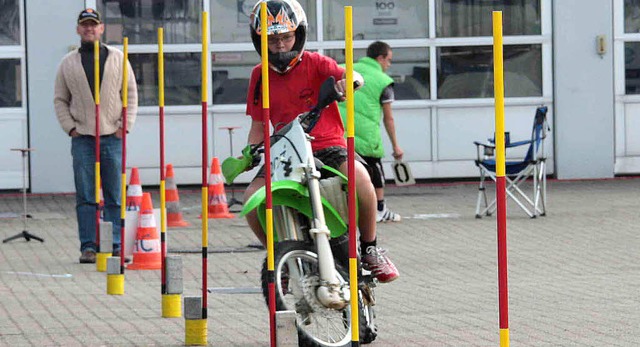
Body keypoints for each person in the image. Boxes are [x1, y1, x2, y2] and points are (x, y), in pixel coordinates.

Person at [243, 0, 398, 283]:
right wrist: (250, 153)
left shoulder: (316, 63)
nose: (280, 45)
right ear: (260, 40)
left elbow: (350, 76)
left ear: (299, 34)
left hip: (326, 144)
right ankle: (280, 258)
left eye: (286, 37)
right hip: (283, 150)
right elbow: (257, 124)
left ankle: (370, 248)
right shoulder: (259, 75)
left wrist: (347, 83)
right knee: (251, 201)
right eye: (273, 39)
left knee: (361, 177)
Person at [54, 8, 138, 264]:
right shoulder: (68, 62)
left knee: (113, 193)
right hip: (83, 139)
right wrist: (71, 128)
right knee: (86, 195)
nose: (89, 29)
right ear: (78, 29)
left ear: (101, 28)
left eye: (94, 25)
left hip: (112, 135)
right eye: (85, 25)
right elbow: (60, 99)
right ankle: (88, 246)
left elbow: (131, 94)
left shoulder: (117, 58)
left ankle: (114, 244)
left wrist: (126, 125)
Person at [338, 41, 403, 223]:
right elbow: (388, 118)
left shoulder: (343, 68)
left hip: (338, 133)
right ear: (380, 58)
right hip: (366, 136)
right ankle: (380, 210)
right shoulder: (383, 81)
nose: (388, 65)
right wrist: (396, 146)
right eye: (388, 60)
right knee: (375, 172)